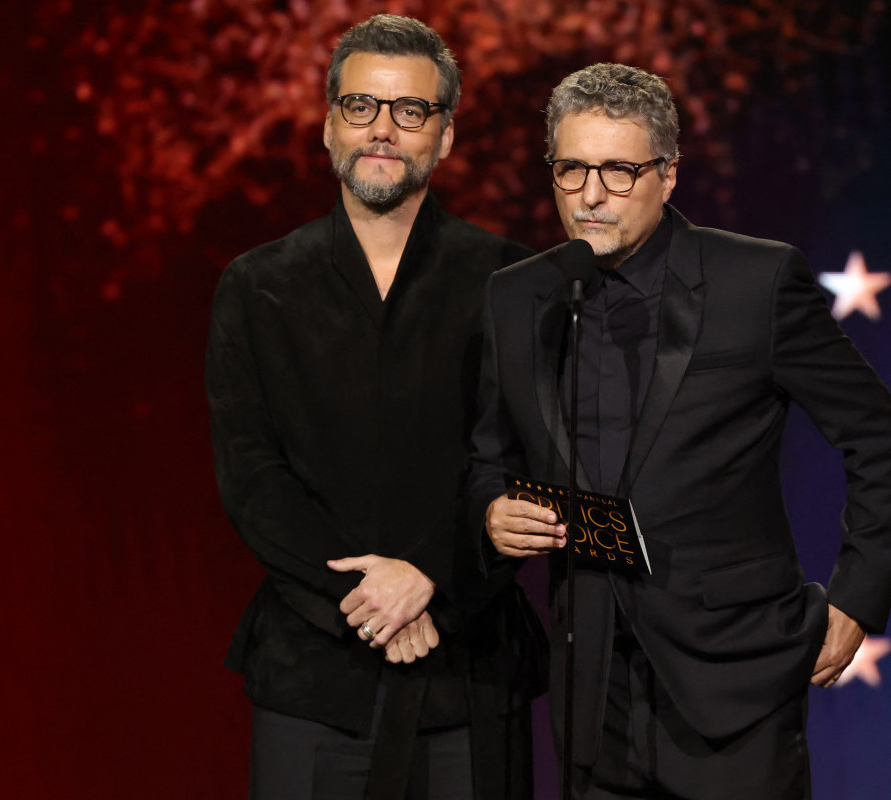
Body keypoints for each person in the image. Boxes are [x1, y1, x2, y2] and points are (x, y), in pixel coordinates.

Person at [467, 63, 891, 799]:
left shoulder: (755, 282)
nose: (590, 195)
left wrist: (859, 596)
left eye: (618, 170)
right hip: (590, 687)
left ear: (668, 174)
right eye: (571, 169)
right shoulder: (518, 295)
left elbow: (876, 434)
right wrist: (492, 511)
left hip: (733, 673)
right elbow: (490, 455)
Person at [206, 15, 544, 800]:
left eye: (410, 111)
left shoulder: (512, 283)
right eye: (362, 106)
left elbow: (527, 463)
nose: (383, 129)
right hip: (314, 679)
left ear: (446, 136)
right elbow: (253, 479)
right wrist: (370, 602)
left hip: (471, 673)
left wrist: (429, 574)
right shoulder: (257, 287)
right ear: (329, 125)